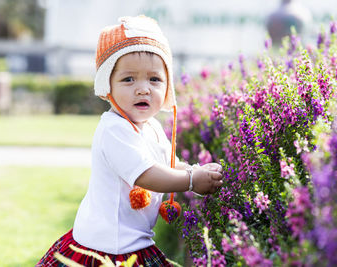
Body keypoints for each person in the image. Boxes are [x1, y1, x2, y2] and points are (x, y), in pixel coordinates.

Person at [36, 15, 223, 267]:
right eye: (129, 79)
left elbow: (168, 164)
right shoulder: (114, 129)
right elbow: (146, 175)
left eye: (154, 79)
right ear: (108, 85)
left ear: (167, 86)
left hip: (133, 243)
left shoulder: (152, 127)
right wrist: (191, 181)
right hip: (106, 250)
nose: (143, 88)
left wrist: (194, 170)